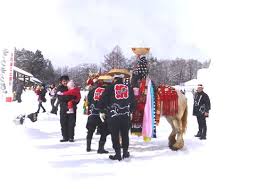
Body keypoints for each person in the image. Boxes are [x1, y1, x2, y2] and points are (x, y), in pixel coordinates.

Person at [98, 74, 136, 161]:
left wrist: (103, 110)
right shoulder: (128, 88)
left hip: (114, 115)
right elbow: (133, 101)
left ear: (114, 79)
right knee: (125, 135)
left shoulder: (110, 87)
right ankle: (125, 152)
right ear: (122, 79)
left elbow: (103, 100)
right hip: (125, 115)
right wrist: (130, 111)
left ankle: (118, 154)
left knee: (115, 135)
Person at [86, 78, 112, 154]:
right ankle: (100, 148)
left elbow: (89, 101)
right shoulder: (107, 91)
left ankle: (88, 147)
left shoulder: (92, 90)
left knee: (90, 131)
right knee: (104, 131)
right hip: (102, 114)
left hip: (93, 113)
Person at [57, 76, 78, 142]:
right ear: (61, 82)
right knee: (63, 123)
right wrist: (69, 97)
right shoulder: (59, 88)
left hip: (72, 107)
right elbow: (60, 98)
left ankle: (71, 137)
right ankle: (65, 137)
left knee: (71, 123)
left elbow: (76, 97)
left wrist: (73, 100)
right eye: (63, 81)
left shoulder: (72, 87)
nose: (65, 82)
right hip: (63, 108)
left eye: (66, 80)